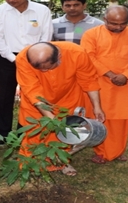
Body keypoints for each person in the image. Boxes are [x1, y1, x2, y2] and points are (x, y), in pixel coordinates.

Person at [17, 41, 105, 176]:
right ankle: (31, 163)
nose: (44, 72)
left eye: (48, 67)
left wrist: (97, 107)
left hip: (67, 98)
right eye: (40, 69)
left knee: (65, 133)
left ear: (59, 57)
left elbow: (89, 80)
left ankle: (61, 162)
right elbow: (31, 90)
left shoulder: (77, 53)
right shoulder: (23, 58)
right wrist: (50, 118)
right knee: (34, 132)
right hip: (37, 102)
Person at [81, 5, 128, 164]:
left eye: (122, 23)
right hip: (100, 83)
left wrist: (125, 75)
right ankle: (101, 151)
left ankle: (118, 150)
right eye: (113, 23)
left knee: (121, 120)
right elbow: (88, 56)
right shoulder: (92, 34)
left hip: (125, 84)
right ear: (105, 19)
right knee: (100, 117)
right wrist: (110, 74)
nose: (118, 27)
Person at [0, 0, 53, 141]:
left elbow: (46, 35)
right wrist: (12, 58)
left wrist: (38, 57)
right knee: (4, 96)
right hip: (8, 58)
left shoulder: (41, 10)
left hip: (35, 59)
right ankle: (3, 132)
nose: (11, 0)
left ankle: (26, 131)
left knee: (32, 95)